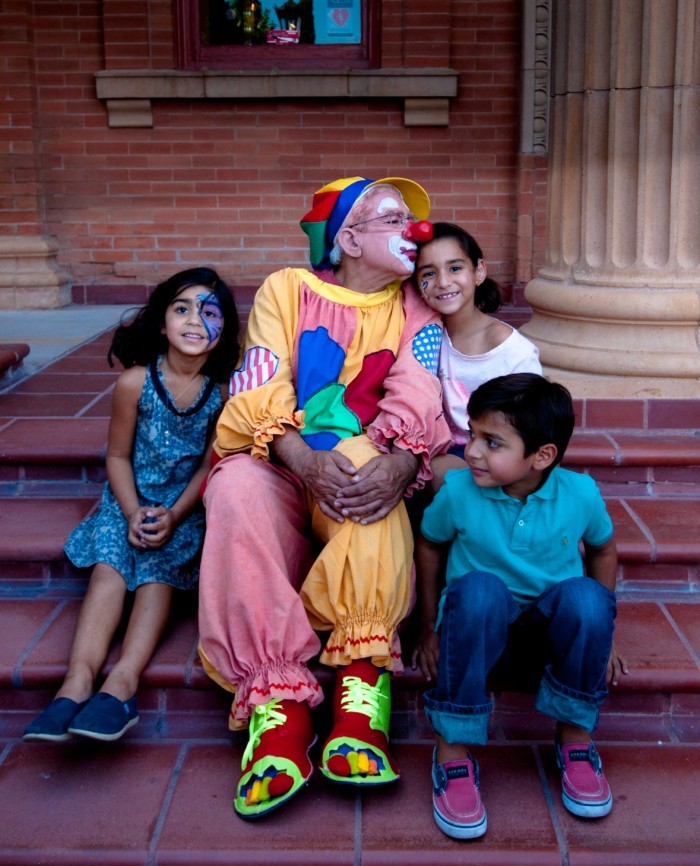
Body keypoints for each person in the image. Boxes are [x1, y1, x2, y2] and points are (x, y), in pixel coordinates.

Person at [197, 175, 451, 819]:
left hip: (357, 458)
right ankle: (278, 711)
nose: (414, 232)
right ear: (348, 237)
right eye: (394, 219)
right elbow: (260, 373)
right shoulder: (288, 288)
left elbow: (418, 389)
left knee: (368, 473)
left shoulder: (413, 307)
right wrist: (299, 455)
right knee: (234, 491)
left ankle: (361, 697)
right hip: (280, 455)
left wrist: (400, 459)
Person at [23, 267, 239, 743]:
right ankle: (75, 682)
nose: (194, 321)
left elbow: (208, 467)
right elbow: (117, 455)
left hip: (183, 508)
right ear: (162, 323)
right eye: (181, 309)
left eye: (209, 312)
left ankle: (121, 684)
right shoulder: (136, 383)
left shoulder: (221, 394)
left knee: (158, 569)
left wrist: (174, 514)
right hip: (126, 501)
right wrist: (131, 511)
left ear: (224, 330)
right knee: (111, 566)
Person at [412, 373, 628, 840]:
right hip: (478, 632)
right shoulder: (459, 492)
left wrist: (600, 638)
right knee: (479, 590)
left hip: (548, 640)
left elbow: (604, 551)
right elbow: (429, 546)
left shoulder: (581, 495)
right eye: (472, 434)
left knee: (587, 599)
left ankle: (574, 739)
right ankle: (452, 750)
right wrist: (429, 627)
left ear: (542, 456)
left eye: (492, 442)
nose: (471, 451)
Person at [413, 222, 541, 483]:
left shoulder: (513, 352)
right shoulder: (423, 337)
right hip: (437, 445)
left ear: (479, 271)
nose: (443, 282)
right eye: (428, 274)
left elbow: (533, 427)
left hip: (496, 452)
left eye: (455, 268)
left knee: (438, 474)